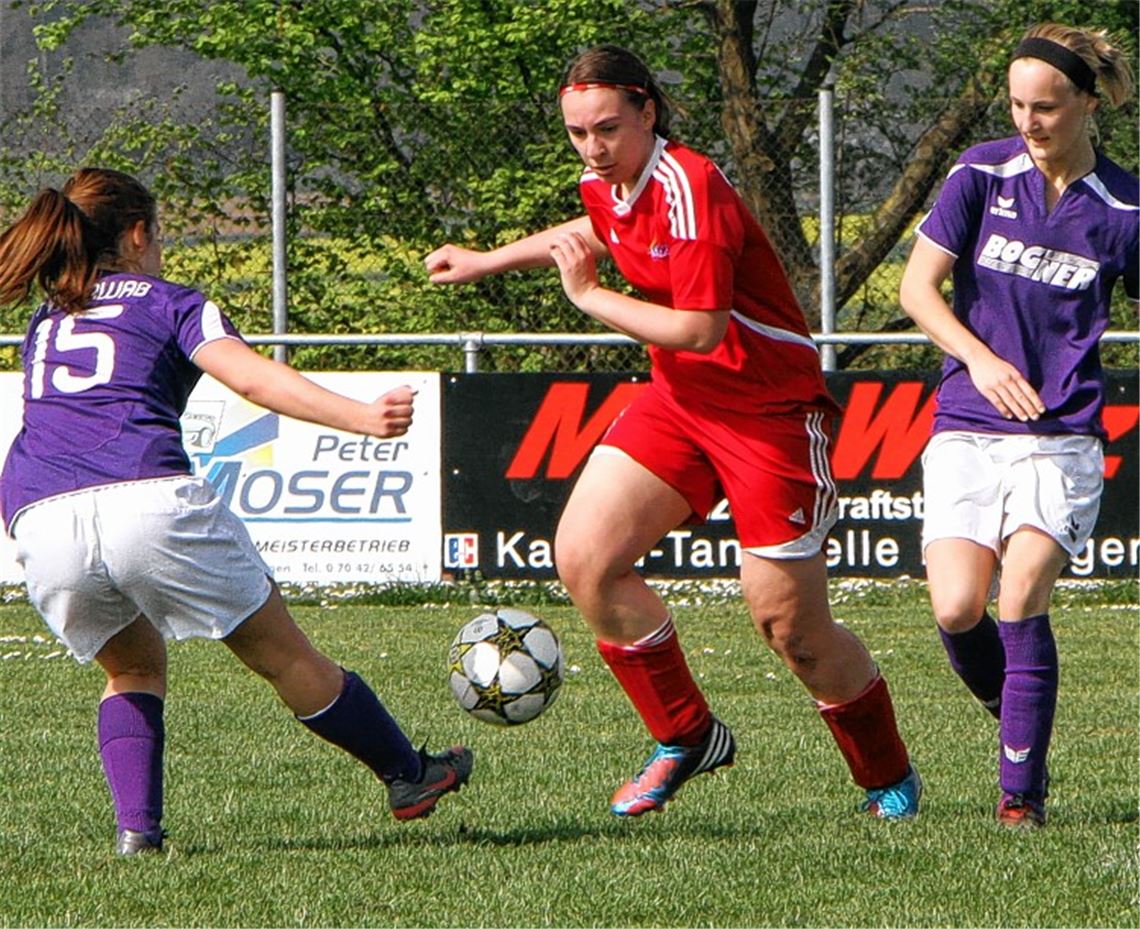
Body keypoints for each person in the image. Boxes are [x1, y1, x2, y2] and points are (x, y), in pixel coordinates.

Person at [426, 45, 920, 819]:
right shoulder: (606, 180)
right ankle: (686, 734)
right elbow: (588, 227)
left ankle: (886, 775)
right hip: (682, 403)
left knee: (791, 629)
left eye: (608, 128)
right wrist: (488, 260)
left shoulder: (690, 185)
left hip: (769, 415)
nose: (592, 147)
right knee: (586, 558)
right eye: (578, 132)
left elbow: (698, 326)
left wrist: (589, 299)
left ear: (649, 112)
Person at [0, 167, 473, 856]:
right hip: (145, 497)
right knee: (285, 657)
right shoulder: (170, 301)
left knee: (130, 668)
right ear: (137, 236)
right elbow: (250, 376)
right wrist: (362, 418)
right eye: (157, 236)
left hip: (37, 511)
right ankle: (408, 774)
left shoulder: (49, 317)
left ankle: (139, 830)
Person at [899, 23, 1137, 829]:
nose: (1029, 121)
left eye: (1046, 106)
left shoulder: (1124, 207)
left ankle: (1019, 796)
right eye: (1017, 104)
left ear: (1088, 103)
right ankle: (1024, 728)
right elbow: (918, 292)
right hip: (967, 422)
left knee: (1022, 594)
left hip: (1062, 434)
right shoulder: (979, 173)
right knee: (959, 608)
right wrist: (983, 361)